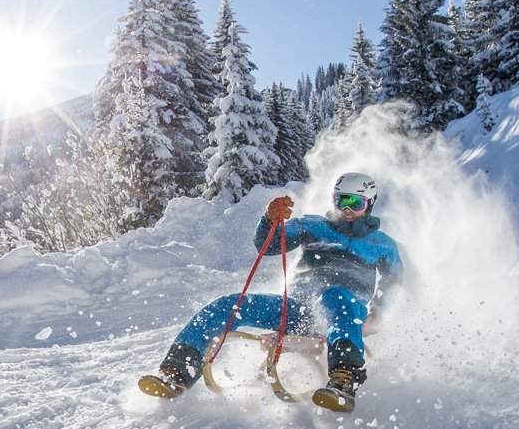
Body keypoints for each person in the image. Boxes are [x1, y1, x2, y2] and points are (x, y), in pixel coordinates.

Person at [138, 172, 404, 413]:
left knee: (335, 296)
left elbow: (394, 281)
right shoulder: (314, 226)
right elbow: (270, 245)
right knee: (230, 304)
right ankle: (175, 374)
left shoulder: (382, 245)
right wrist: (269, 220)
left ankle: (343, 382)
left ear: (369, 204)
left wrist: (377, 313)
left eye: (354, 203)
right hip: (298, 309)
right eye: (341, 200)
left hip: (343, 315)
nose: (346, 209)